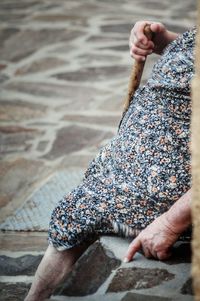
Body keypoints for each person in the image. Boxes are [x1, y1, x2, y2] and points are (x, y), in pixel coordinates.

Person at [25, 21, 194, 301]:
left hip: (163, 191)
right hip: (132, 168)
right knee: (77, 210)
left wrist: (169, 224)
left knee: (78, 211)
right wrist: (166, 42)